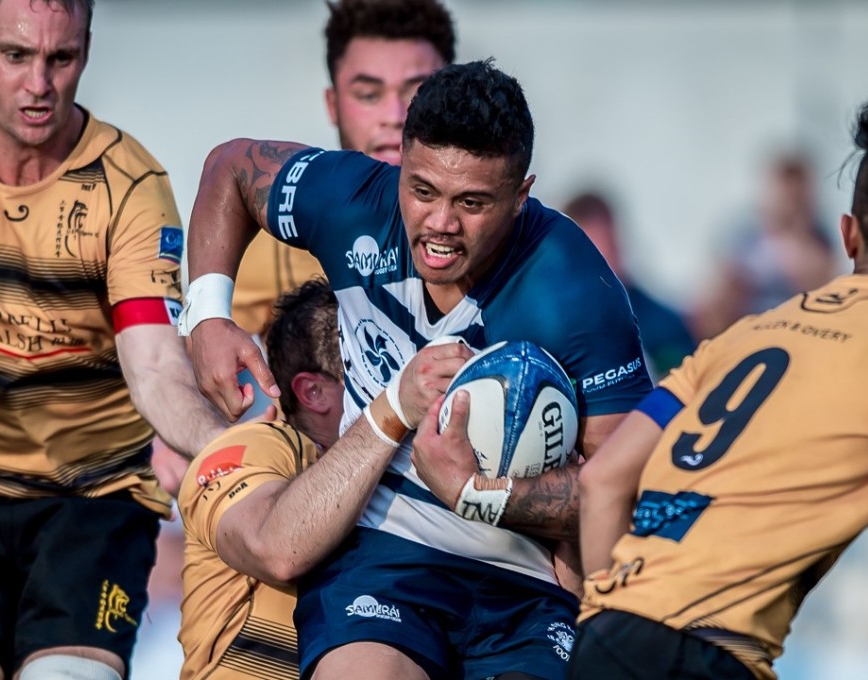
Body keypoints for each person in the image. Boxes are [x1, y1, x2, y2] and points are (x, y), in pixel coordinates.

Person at [180, 60, 652, 679]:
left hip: (523, 583)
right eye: (423, 189)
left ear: (521, 194)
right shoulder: (352, 201)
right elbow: (231, 168)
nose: (440, 225)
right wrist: (207, 315)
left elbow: (623, 490)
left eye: (473, 202)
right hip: (384, 556)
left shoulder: (573, 292)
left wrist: (478, 493)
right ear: (400, 163)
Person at [0, 2, 227, 679]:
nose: (39, 85)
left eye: (62, 58)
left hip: (95, 497)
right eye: (16, 56)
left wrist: (225, 446)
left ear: (86, 49)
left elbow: (153, 363)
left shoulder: (132, 184)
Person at [566, 99, 868, 680]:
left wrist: (606, 623)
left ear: (849, 235)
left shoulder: (740, 338)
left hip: (606, 636)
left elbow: (603, 478)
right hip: (707, 655)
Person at [177, 278, 469, 679]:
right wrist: (392, 410)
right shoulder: (259, 446)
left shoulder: (418, 476)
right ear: (314, 393)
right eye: (376, 365)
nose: (409, 386)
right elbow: (276, 550)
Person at [229, 0, 456, 344]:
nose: (395, 114)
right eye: (368, 94)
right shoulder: (272, 238)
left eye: (418, 92)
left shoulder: (502, 226)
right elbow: (202, 366)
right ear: (333, 105)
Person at [691, 150, 841, 340]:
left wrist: (795, 235)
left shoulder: (818, 235)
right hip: (743, 327)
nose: (790, 200)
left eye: (797, 194)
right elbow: (716, 289)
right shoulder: (742, 231)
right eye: (786, 189)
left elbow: (821, 288)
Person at [563, 190, 697, 378]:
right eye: (593, 252)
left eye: (609, 247)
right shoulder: (552, 330)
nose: (604, 264)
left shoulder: (665, 326)